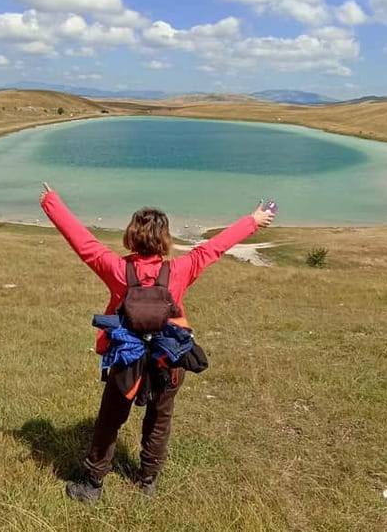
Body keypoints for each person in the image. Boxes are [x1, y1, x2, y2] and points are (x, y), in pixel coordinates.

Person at [39, 182, 275, 504]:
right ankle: (147, 480)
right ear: (164, 240)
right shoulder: (180, 269)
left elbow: (84, 243)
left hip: (127, 361)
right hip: (169, 360)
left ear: (131, 236)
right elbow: (214, 248)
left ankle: (92, 485)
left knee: (110, 419)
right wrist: (254, 219)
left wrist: (51, 202)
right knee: (159, 420)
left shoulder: (117, 269)